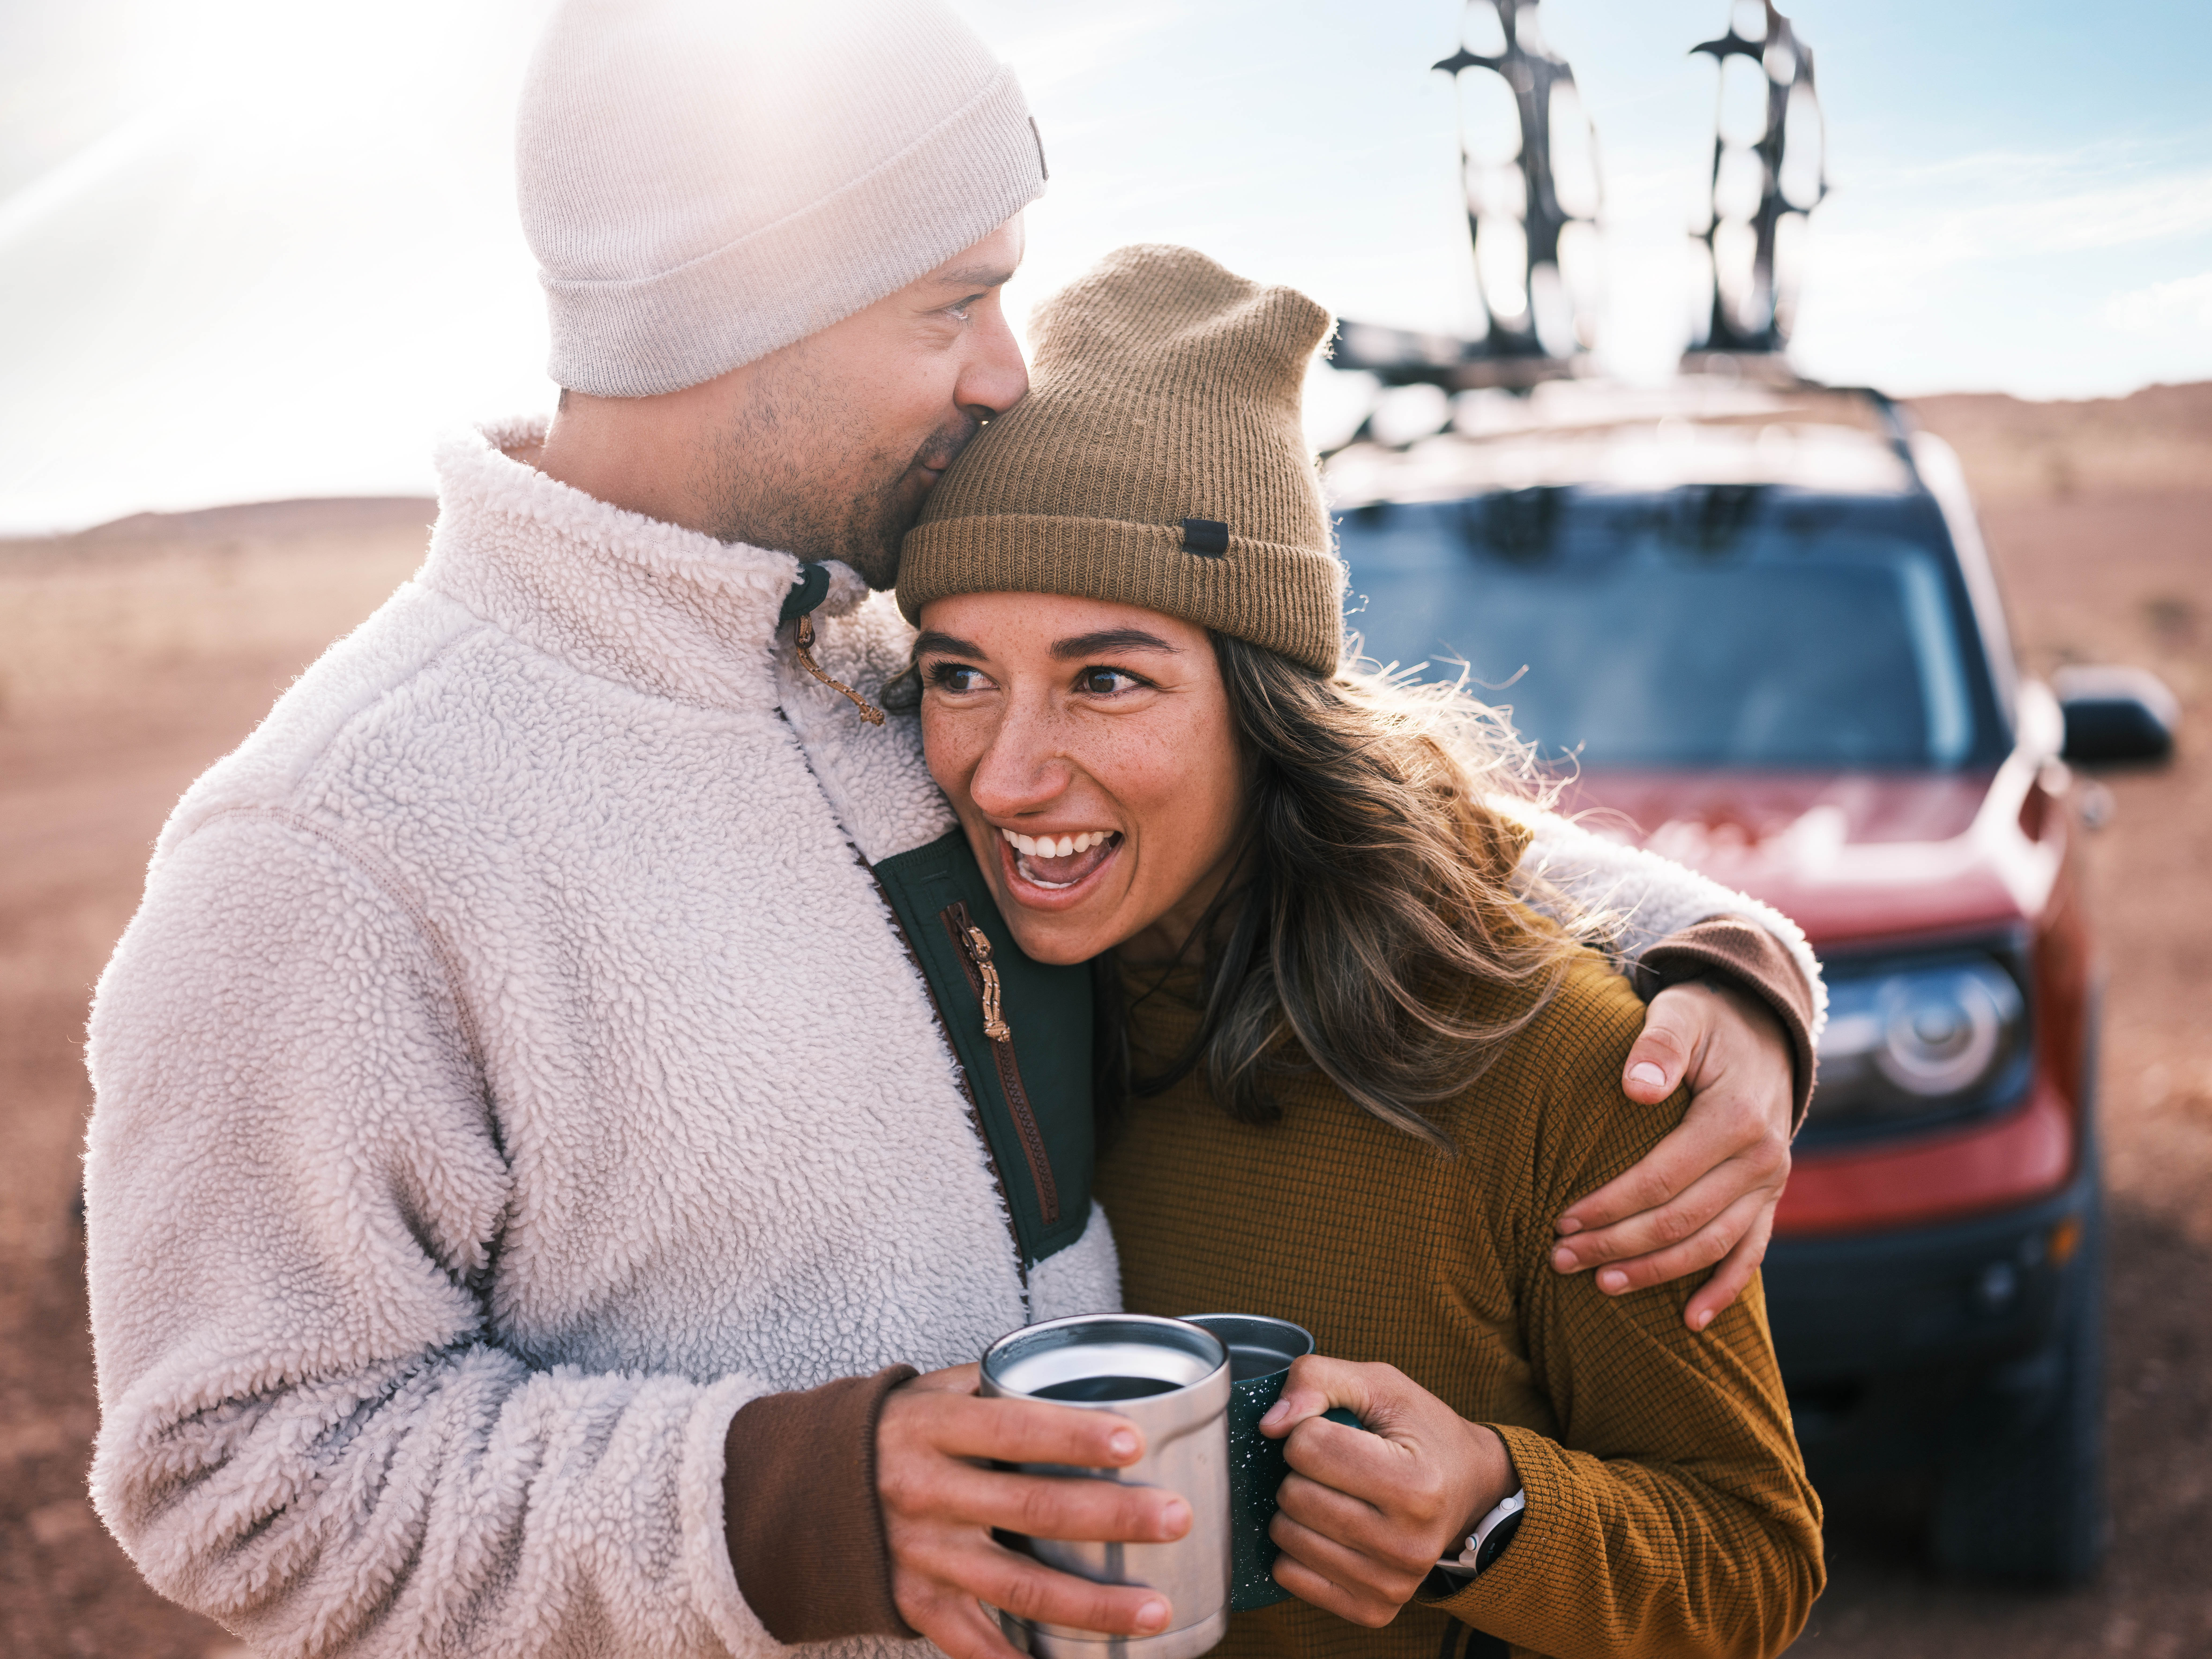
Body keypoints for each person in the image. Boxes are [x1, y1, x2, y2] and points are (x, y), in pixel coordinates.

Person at [82, 6, 1819, 1658]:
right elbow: (234, 1473)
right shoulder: (334, 849)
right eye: (955, 303)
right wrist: (789, 1505)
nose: (1007, 371)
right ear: (731, 311)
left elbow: (1283, 789)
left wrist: (1713, 965)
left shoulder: (870, 656)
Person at [895, 244, 1822, 1658]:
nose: (1009, 776)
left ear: (1262, 704)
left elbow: (1752, 1561)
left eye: (1107, 679)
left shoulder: (1560, 1061)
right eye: (960, 674)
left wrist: (1494, 1516)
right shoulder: (952, 997)